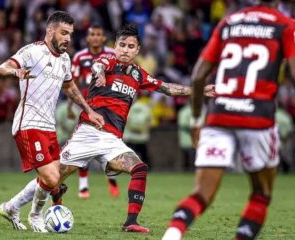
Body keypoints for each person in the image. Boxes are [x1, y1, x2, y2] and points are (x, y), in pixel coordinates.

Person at [55, 24, 215, 233]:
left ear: (137, 50)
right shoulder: (108, 61)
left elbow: (166, 88)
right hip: (88, 133)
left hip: (112, 140)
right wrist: (100, 73)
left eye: (131, 46)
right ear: (115, 46)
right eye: (122, 45)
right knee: (51, 179)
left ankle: (131, 222)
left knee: (139, 169)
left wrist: (199, 90)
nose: (126, 50)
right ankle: (20, 204)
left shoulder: (138, 75)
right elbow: (97, 66)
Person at [162, 1, 295, 239]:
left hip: (219, 115)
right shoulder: (285, 25)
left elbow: (199, 74)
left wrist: (195, 121)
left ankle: (172, 234)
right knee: (261, 194)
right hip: (258, 118)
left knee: (201, 194)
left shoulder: (228, 22)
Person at [0, 11, 104, 232]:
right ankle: (36, 216)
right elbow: (2, 67)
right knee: (52, 177)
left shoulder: (64, 59)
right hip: (28, 124)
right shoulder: (33, 51)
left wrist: (88, 110)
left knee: (51, 180)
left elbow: (70, 88)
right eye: (64, 33)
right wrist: (15, 71)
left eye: (70, 34)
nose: (68, 39)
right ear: (50, 31)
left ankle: (10, 207)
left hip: (48, 126)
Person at [69, 24, 120, 199]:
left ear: (104, 38)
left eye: (99, 34)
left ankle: (111, 178)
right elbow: (72, 81)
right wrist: (71, 106)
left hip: (108, 106)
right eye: (93, 34)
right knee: (85, 143)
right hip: (88, 106)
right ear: (88, 38)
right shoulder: (79, 57)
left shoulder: (111, 55)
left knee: (108, 143)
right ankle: (83, 186)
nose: (96, 37)